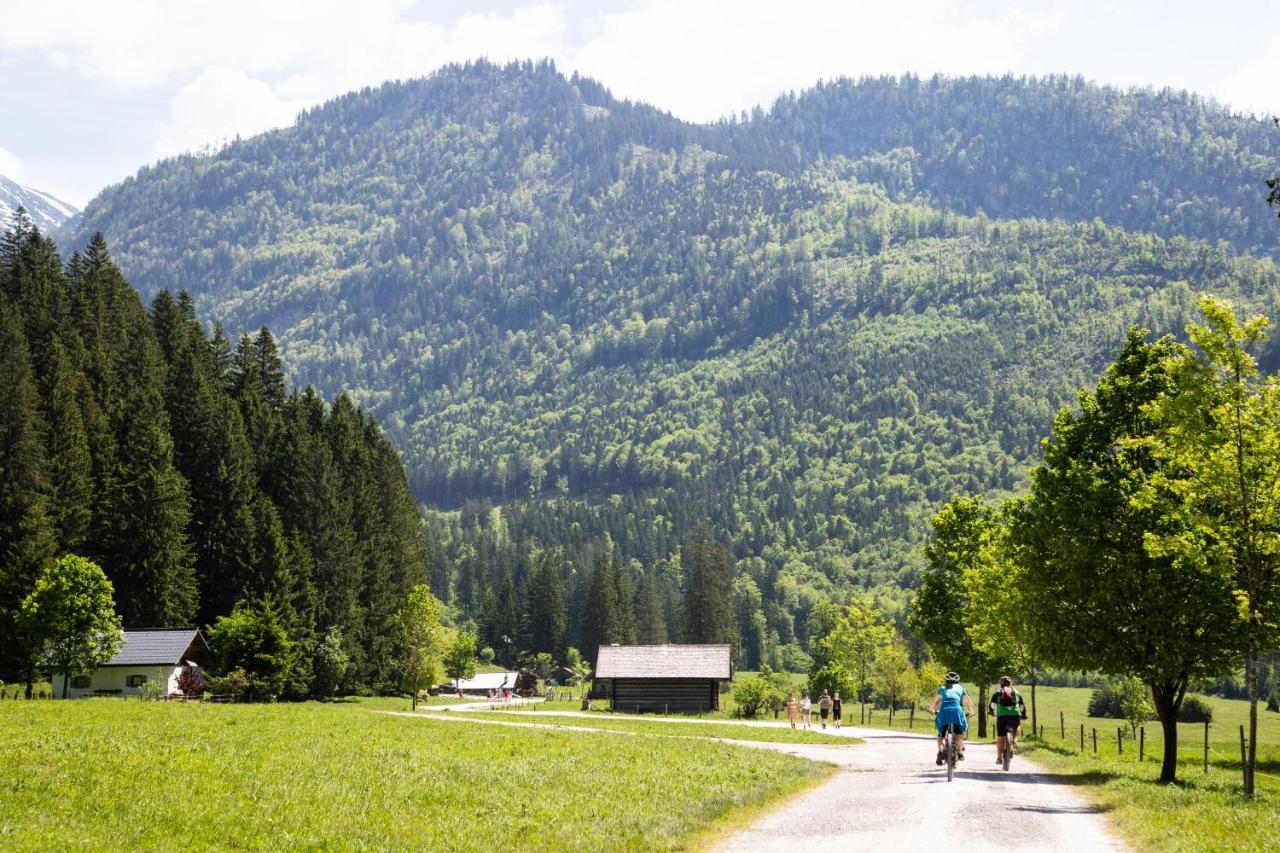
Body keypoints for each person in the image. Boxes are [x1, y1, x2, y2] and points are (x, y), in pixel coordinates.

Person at [928, 671, 975, 765]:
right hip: (956, 712)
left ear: (946, 681)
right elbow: (969, 703)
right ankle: (960, 752)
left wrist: (932, 710)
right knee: (959, 733)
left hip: (944, 712)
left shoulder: (941, 688)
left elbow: (934, 703)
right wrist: (971, 711)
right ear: (957, 681)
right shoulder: (961, 688)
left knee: (941, 734)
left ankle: (940, 751)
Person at [989, 676, 1028, 764]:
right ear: (1011, 684)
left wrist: (991, 712)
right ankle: (1015, 741)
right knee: (1017, 726)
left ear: (1001, 684)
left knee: (1000, 738)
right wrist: (1023, 715)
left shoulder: (997, 693)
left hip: (1002, 717)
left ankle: (999, 758)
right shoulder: (1017, 692)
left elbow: (991, 706)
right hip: (1014, 716)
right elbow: (1022, 707)